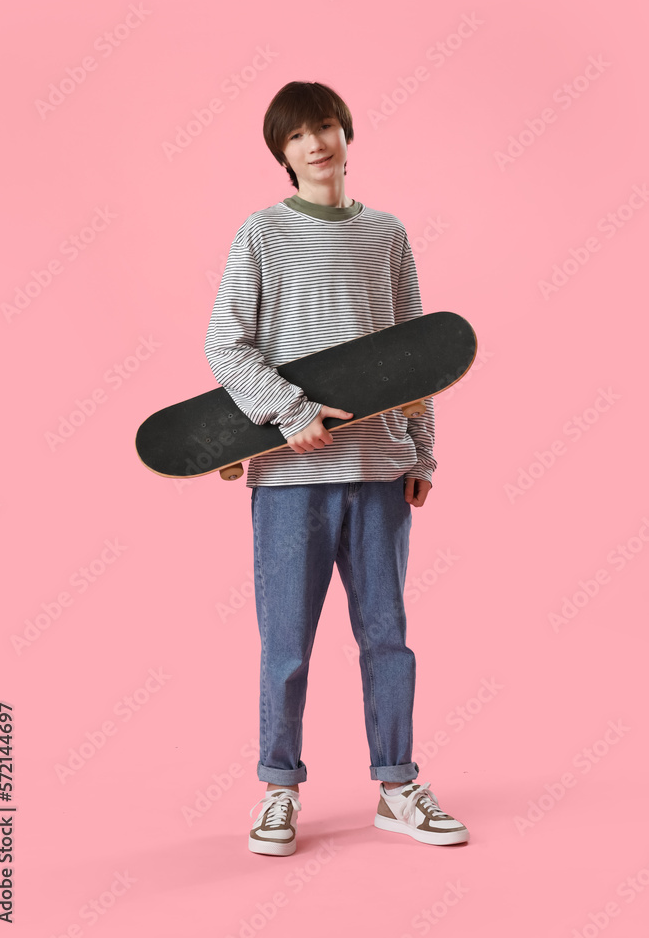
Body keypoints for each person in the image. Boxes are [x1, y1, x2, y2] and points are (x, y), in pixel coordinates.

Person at [205, 80, 469, 855]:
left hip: (381, 469)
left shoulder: (386, 234)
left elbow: (418, 353)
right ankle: (278, 791)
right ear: (281, 155)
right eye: (297, 137)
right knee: (285, 644)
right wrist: (290, 414)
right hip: (290, 477)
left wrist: (422, 450)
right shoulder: (261, 234)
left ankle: (397, 786)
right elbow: (227, 342)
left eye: (325, 128)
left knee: (388, 638)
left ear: (346, 134)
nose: (315, 144)